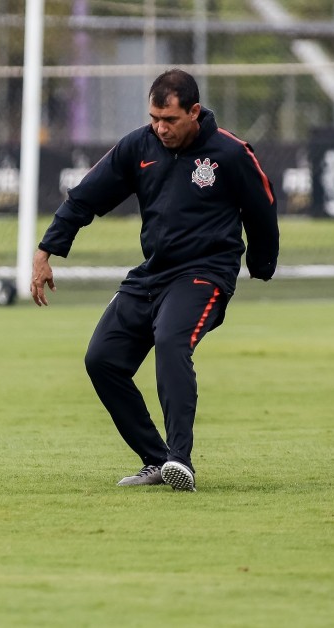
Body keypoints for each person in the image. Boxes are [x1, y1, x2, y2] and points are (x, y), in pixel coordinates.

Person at [31, 69, 279, 492]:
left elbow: (262, 208)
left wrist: (261, 264)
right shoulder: (138, 145)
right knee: (101, 359)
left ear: (195, 112)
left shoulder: (230, 153)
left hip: (205, 274)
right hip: (153, 274)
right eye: (154, 118)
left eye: (170, 119)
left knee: (170, 341)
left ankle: (181, 459)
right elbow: (85, 196)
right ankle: (157, 459)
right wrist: (45, 251)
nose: (160, 128)